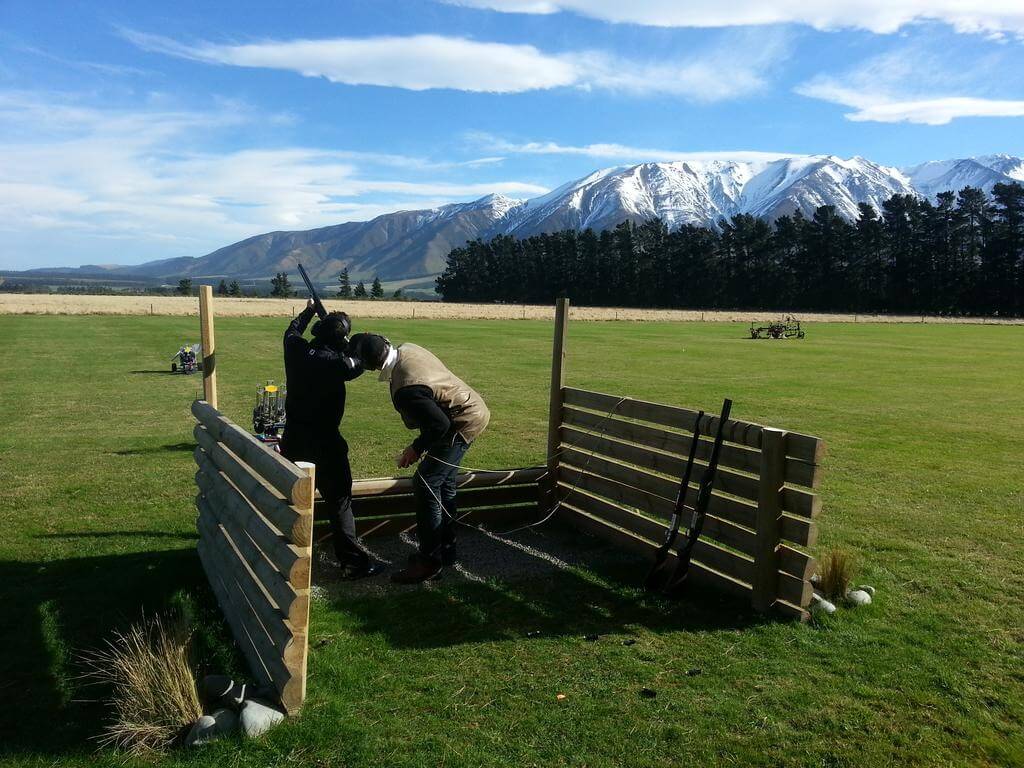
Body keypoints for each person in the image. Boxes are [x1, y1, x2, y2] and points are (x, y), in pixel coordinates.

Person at [348, 333, 490, 584]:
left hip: (460, 422)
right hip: (470, 411)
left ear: (369, 365)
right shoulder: (407, 348)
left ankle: (429, 562)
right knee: (443, 484)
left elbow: (439, 425)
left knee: (426, 483)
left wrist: (415, 448)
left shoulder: (406, 389)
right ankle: (446, 550)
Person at [280, 301, 380, 579]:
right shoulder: (337, 364)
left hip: (293, 438)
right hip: (325, 443)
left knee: (293, 499)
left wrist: (309, 311)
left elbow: (292, 330)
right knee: (339, 502)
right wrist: (352, 344)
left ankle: (282, 553)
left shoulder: (296, 349)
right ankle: (353, 562)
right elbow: (360, 362)